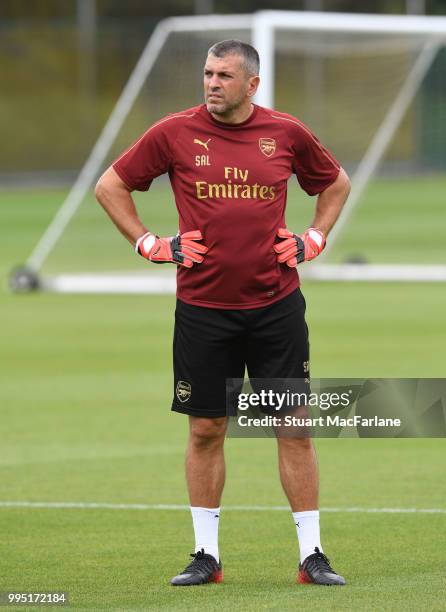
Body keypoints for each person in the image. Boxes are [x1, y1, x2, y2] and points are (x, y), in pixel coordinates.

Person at [95, 39, 350, 587]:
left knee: (292, 428)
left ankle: (313, 556)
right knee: (207, 428)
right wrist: (149, 244)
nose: (212, 83)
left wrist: (314, 238)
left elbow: (334, 182)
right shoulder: (173, 132)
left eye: (224, 76)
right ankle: (205, 556)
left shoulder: (284, 132)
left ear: (251, 85)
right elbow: (110, 185)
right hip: (202, 310)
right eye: (208, 73)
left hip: (276, 307)